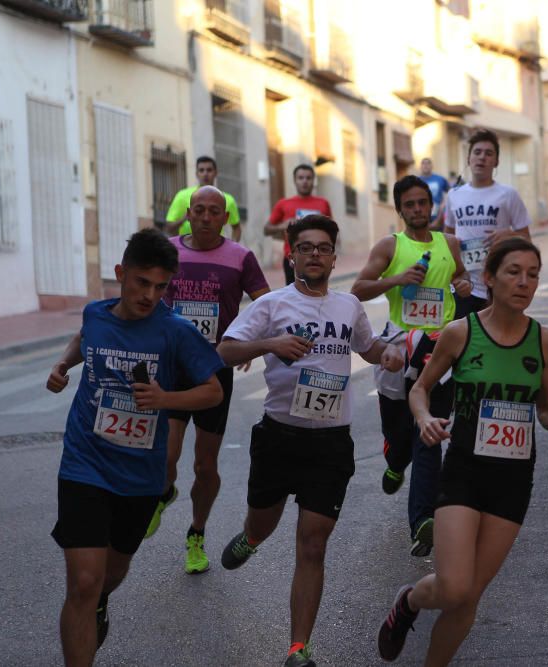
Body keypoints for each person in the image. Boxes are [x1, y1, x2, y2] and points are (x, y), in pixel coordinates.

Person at [217, 215, 404, 667]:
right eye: (306, 247)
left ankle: (298, 647)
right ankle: (251, 537)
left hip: (330, 444)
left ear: (333, 256)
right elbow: (225, 350)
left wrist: (390, 354)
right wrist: (272, 344)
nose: (315, 254)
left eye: (323, 247)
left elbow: (369, 348)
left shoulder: (348, 307)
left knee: (313, 544)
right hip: (279, 438)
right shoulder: (272, 306)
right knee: (264, 523)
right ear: (292, 255)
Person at [376, 237, 548, 666]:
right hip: (464, 472)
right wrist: (425, 418)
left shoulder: (544, 341)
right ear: (489, 278)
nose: (524, 282)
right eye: (513, 272)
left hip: (513, 481)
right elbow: (421, 389)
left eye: (533, 274)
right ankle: (409, 602)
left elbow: (544, 406)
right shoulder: (460, 333)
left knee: (468, 600)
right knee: (453, 587)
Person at [45, 229, 224, 665]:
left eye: (161, 286)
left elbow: (213, 391)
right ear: (121, 274)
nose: (150, 295)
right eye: (142, 283)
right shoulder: (96, 314)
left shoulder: (175, 331)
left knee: (111, 573)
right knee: (83, 582)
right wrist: (64, 364)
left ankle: (103, 597)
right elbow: (83, 339)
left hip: (140, 476)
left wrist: (166, 399)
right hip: (84, 462)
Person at [142, 186, 270, 573]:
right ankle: (163, 492)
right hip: (172, 365)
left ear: (226, 218)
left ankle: (196, 532)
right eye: (199, 209)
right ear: (188, 213)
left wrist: (244, 342)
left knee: (204, 465)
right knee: (166, 454)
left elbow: (265, 304)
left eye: (215, 211)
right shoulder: (168, 251)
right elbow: (144, 295)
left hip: (214, 368)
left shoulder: (240, 257)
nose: (205, 217)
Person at [351, 175, 471, 557]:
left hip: (440, 350)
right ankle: (393, 461)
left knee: (429, 436)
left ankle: (422, 521)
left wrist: (464, 283)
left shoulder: (449, 243)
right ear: (400, 209)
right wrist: (398, 279)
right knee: (400, 434)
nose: (418, 209)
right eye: (411, 204)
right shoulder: (390, 245)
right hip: (399, 350)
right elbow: (358, 289)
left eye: (423, 203)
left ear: (431, 206)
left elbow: (460, 277)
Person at [444, 128, 532, 318]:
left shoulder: (508, 194)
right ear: (468, 159)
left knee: (498, 342)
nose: (482, 157)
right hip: (464, 285)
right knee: (463, 341)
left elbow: (527, 240)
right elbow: (447, 237)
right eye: (477, 152)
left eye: (488, 153)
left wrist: (509, 234)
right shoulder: (454, 195)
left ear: (496, 161)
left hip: (499, 284)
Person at [264, 164, 333, 286]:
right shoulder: (283, 204)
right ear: (295, 181)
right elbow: (267, 229)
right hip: (293, 259)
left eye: (308, 178)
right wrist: (282, 226)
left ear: (313, 180)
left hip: (319, 257)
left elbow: (332, 231)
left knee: (318, 294)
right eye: (301, 178)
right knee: (294, 298)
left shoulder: (323, 203)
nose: (305, 181)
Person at [166, 156, 243, 242]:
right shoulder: (182, 196)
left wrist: (232, 248)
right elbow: (169, 228)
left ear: (216, 173)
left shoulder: (227, 200)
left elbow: (236, 227)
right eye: (201, 170)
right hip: (188, 251)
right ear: (197, 174)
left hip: (215, 251)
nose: (205, 174)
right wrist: (184, 218)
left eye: (209, 170)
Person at [418, 158, 450, 230]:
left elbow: (450, 192)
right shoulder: (416, 180)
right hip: (422, 213)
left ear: (432, 166)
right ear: (420, 167)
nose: (426, 165)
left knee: (439, 235)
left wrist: (444, 204)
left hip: (438, 214)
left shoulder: (440, 179)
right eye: (423, 163)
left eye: (428, 163)